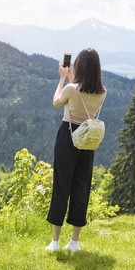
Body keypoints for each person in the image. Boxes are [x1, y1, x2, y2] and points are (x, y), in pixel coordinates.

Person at [46, 48, 106, 253]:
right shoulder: (102, 92)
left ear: (79, 66)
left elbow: (57, 102)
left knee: (61, 186)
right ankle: (74, 243)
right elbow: (82, 93)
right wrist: (71, 78)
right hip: (87, 140)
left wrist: (62, 79)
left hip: (67, 137)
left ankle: (54, 243)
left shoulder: (70, 89)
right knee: (81, 187)